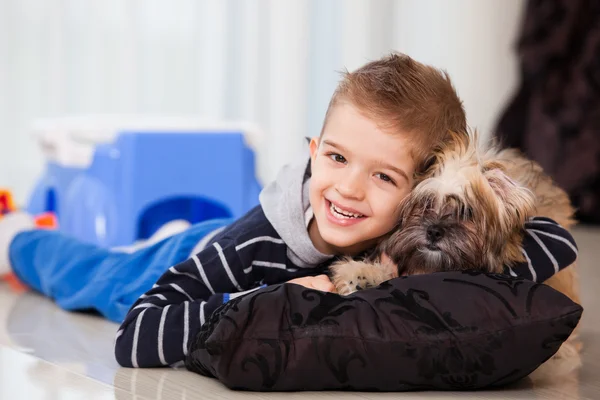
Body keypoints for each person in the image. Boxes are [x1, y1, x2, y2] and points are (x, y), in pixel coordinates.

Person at [0, 53, 578, 369]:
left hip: (223, 240)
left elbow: (557, 243)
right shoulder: (256, 247)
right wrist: (257, 302)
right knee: (89, 272)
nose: (350, 189)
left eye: (383, 176)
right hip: (195, 263)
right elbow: (135, 336)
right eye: (336, 157)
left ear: (423, 190)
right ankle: (18, 237)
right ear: (312, 152)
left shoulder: (415, 227)